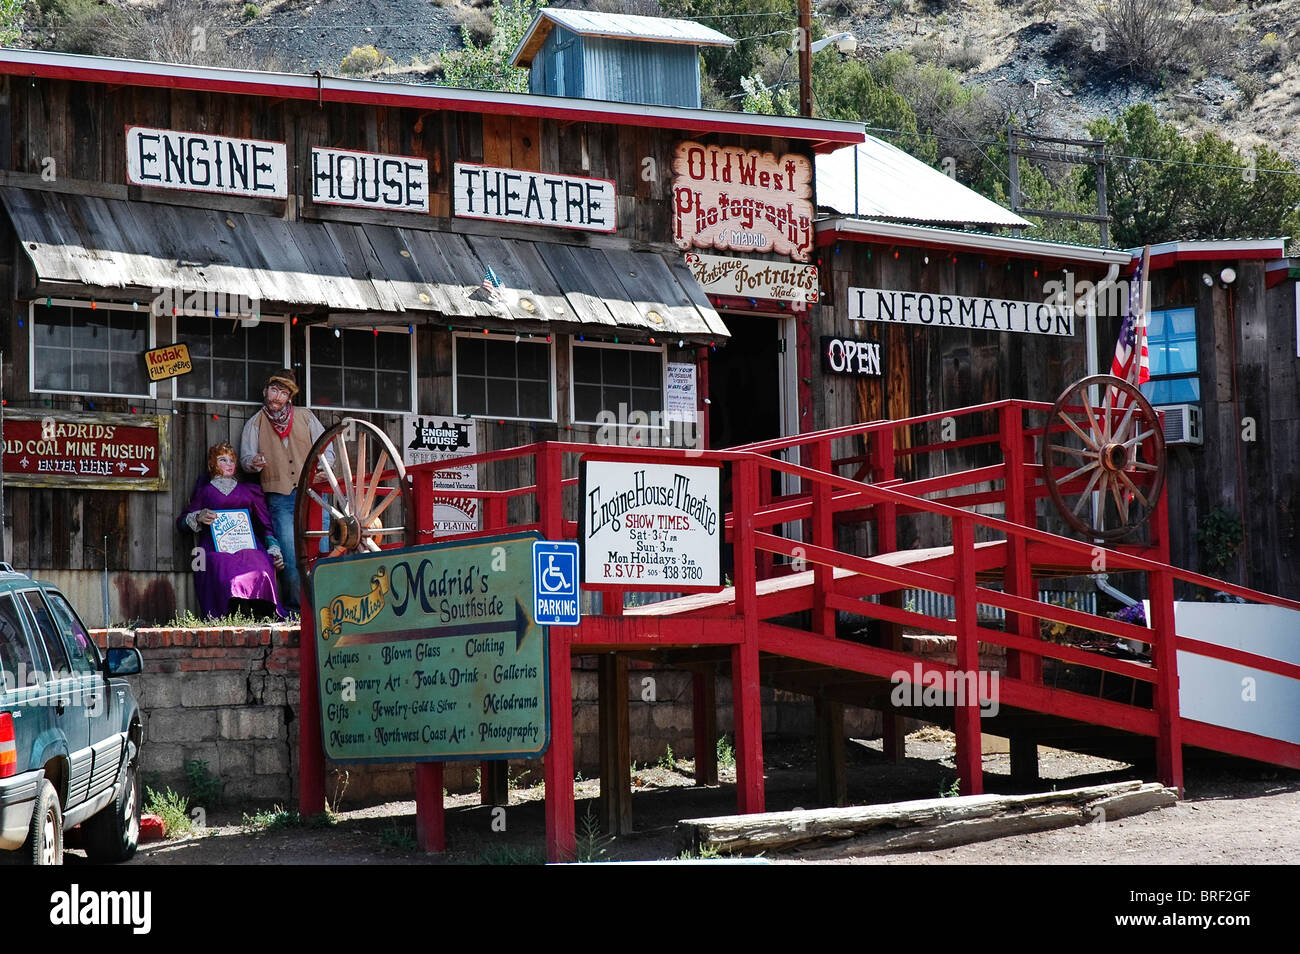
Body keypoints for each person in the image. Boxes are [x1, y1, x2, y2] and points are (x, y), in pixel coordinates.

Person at [239, 368, 328, 611]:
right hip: (280, 497)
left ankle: (325, 604)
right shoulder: (255, 423)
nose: (278, 396)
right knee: (289, 556)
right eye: (275, 390)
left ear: (290, 397)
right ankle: (298, 608)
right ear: (266, 391)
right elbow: (246, 459)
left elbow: (326, 449)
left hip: (314, 494)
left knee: (322, 550)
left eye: (284, 392)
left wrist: (324, 468)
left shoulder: (306, 417)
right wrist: (253, 462)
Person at [179, 443, 285, 620]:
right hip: (216, 546)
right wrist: (198, 517)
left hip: (248, 544)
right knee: (221, 566)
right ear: (212, 464)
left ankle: (262, 612)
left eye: (231, 460)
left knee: (259, 564)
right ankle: (234, 614)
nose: (228, 464)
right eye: (222, 460)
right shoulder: (205, 492)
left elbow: (265, 526)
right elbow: (181, 523)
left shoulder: (249, 491)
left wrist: (274, 548)